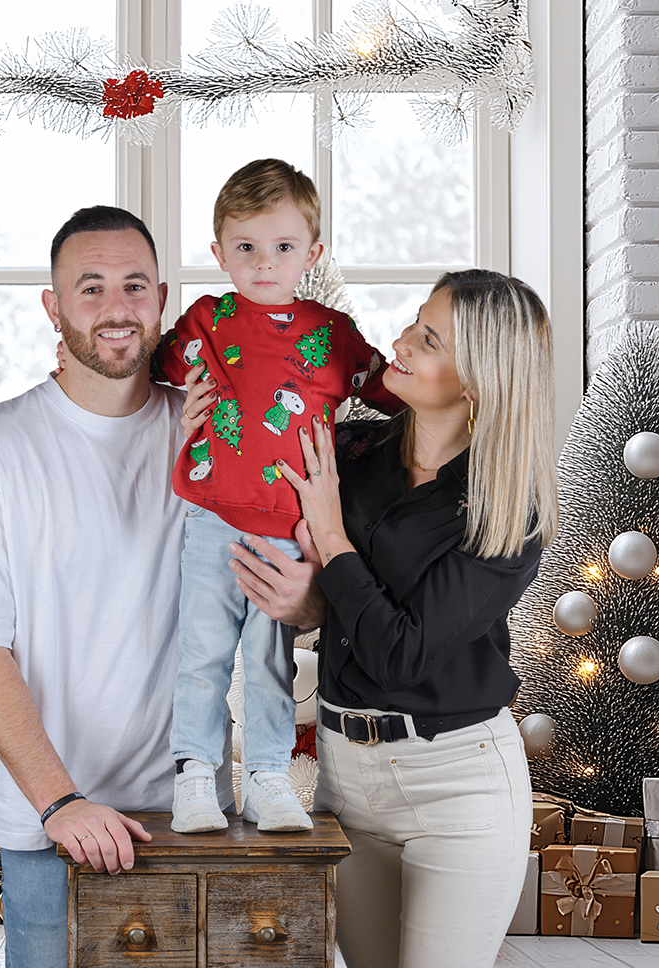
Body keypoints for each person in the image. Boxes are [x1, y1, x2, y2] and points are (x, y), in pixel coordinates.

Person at [190, 270, 559, 967]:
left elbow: (401, 654)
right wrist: (198, 434)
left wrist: (332, 537)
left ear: (478, 379)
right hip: (345, 776)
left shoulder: (507, 509)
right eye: (414, 323)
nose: (401, 342)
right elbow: (311, 580)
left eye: (429, 340)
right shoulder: (352, 453)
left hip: (456, 785)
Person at [0, 206, 192, 968]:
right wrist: (60, 801)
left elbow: (275, 598)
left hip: (191, 819)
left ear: (161, 299)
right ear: (54, 306)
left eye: (134, 285)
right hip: (50, 827)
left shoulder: (202, 435)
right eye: (90, 287)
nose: (116, 307)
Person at [155, 158, 401, 833]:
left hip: (289, 531)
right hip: (211, 518)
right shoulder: (204, 322)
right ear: (219, 253)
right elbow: (142, 368)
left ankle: (266, 777)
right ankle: (195, 775)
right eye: (246, 247)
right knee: (202, 652)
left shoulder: (332, 335)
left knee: (269, 660)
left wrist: (464, 398)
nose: (265, 263)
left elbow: (393, 393)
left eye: (283, 247)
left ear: (312, 254)